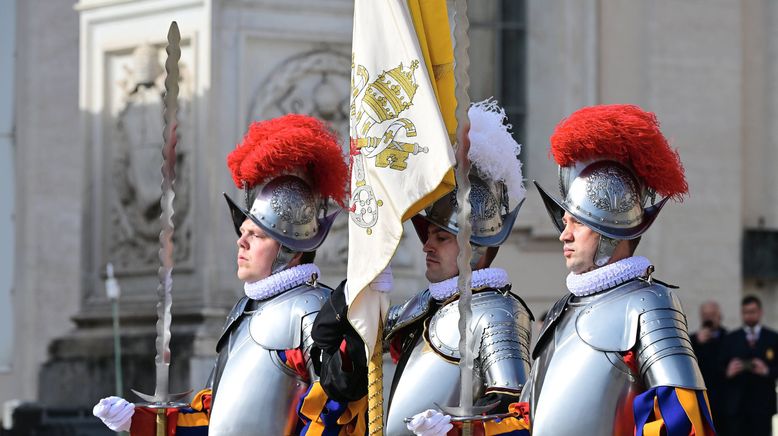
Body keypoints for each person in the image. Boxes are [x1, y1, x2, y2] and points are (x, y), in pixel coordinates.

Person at [92, 114, 367, 435]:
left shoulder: (312, 313)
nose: (242, 240)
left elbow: (333, 413)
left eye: (258, 235)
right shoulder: (244, 310)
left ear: (290, 250)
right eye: (244, 230)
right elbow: (212, 415)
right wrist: (141, 421)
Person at [312, 99, 534, 436]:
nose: (427, 245)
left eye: (442, 237)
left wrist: (455, 432)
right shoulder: (419, 309)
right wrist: (356, 290)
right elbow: (342, 375)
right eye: (429, 234)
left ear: (474, 248)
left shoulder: (496, 313)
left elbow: (514, 418)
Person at [521, 104, 716, 435]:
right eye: (564, 222)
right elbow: (528, 416)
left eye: (576, 224)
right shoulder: (560, 311)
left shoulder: (650, 305)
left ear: (609, 231)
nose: (563, 235)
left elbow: (681, 420)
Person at [719, 295, 778, 436]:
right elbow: (717, 367)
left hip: (763, 406)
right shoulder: (730, 339)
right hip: (737, 406)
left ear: (760, 312)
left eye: (752, 312)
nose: (749, 316)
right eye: (746, 312)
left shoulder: (773, 338)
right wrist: (728, 371)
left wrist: (766, 370)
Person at [690, 301, 727, 433]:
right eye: (705, 315)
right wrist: (697, 344)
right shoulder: (691, 341)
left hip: (724, 402)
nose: (708, 318)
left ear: (719, 316)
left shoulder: (729, 339)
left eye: (712, 314)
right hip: (701, 401)